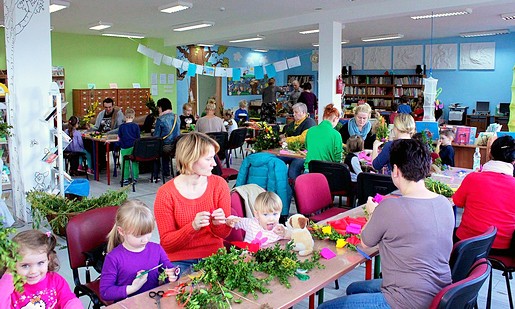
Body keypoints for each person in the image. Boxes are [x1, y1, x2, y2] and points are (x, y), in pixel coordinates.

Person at [319, 139, 454, 309]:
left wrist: (372, 212)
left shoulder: (390, 206)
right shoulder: (444, 203)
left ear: (396, 170)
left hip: (405, 300)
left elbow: (365, 242)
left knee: (323, 308)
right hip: (439, 292)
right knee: (354, 288)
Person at [154, 132, 231, 271]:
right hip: (180, 259)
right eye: (208, 159)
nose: (214, 163)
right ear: (190, 159)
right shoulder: (166, 194)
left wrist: (219, 224)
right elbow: (167, 243)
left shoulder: (219, 184)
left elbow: (224, 234)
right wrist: (193, 226)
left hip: (214, 255)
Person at [100, 200, 179, 302]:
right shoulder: (113, 258)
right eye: (138, 235)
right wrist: (133, 288)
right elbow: (105, 292)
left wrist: (172, 275)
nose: (145, 239)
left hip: (153, 301)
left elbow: (170, 270)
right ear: (121, 231)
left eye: (149, 233)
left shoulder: (157, 249)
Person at [453, 135, 515, 254]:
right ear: (513, 161)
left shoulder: (473, 178)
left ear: (490, 154)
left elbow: (457, 202)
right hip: (505, 249)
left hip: (468, 244)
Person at [0, 230, 83, 308]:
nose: (33, 271)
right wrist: (7, 277)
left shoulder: (55, 280)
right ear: (13, 264)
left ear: (48, 260)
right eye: (25, 265)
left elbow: (69, 301)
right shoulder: (10, 287)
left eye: (40, 263)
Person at [226, 191, 290, 246]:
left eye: (275, 214)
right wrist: (230, 220)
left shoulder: (280, 230)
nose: (271, 219)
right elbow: (236, 221)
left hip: (270, 259)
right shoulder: (250, 224)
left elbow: (295, 236)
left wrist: (286, 233)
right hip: (248, 258)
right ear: (257, 214)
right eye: (265, 214)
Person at [279, 103, 317, 182]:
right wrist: (282, 137)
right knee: (277, 160)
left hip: (304, 154)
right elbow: (286, 135)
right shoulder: (292, 124)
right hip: (291, 152)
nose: (294, 114)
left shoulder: (309, 123)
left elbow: (303, 139)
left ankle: (295, 189)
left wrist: (287, 139)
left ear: (303, 113)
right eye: (293, 112)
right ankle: (282, 184)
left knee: (294, 166)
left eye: (296, 112)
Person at [304, 104, 343, 170]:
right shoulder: (336, 135)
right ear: (335, 119)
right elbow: (338, 157)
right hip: (327, 171)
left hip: (310, 169)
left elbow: (307, 147)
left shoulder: (310, 131)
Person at [152, 98, 181, 181]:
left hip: (165, 146)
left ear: (160, 107)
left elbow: (156, 136)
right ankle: (167, 172)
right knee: (165, 153)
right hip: (176, 146)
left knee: (155, 150)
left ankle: (156, 175)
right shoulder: (177, 117)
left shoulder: (160, 119)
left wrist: (153, 131)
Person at [118, 108, 141, 185]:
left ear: (125, 117)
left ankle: (125, 179)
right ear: (133, 117)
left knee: (125, 163)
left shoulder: (121, 127)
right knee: (135, 162)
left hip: (124, 147)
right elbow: (138, 137)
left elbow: (119, 137)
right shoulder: (136, 126)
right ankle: (135, 177)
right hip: (134, 147)